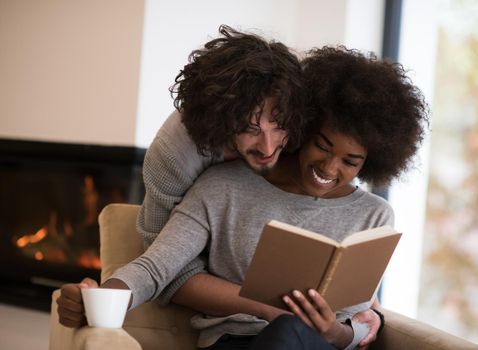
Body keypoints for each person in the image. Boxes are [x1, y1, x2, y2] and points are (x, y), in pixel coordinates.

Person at [57, 46, 428, 350]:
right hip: (234, 342)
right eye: (322, 146)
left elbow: (361, 320)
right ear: (307, 128)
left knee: (294, 335)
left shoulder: (375, 216)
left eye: (350, 161)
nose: (330, 168)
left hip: (318, 347)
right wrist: (102, 296)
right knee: (285, 333)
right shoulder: (220, 185)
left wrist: (336, 333)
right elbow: (157, 266)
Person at [137, 24, 306, 251]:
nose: (267, 149)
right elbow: (158, 254)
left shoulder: (301, 128)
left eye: (279, 126)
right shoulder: (173, 155)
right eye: (250, 129)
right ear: (222, 120)